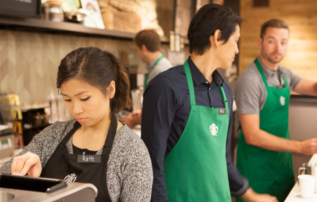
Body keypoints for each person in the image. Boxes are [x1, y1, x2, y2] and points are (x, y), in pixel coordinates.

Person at [141, 4, 277, 202]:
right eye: (235, 41)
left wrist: (250, 195)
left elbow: (224, 158)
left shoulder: (225, 91)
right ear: (217, 37)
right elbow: (151, 166)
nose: (237, 50)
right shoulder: (165, 88)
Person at [0, 47, 153, 202]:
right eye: (67, 99)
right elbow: (4, 181)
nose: (75, 109)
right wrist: (25, 176)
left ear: (110, 89)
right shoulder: (52, 136)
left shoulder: (132, 152)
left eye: (84, 98)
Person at [235, 19, 317, 202]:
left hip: (281, 166)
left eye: (283, 42)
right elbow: (252, 135)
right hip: (257, 172)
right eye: (272, 41)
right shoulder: (250, 80)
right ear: (260, 42)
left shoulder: (284, 74)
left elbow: (314, 88)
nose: (278, 48)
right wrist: (300, 146)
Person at [123, 29, 172, 129]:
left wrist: (131, 121)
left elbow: (154, 110)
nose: (138, 54)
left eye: (137, 49)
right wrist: (142, 112)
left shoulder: (158, 71)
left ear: (144, 48)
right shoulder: (163, 64)